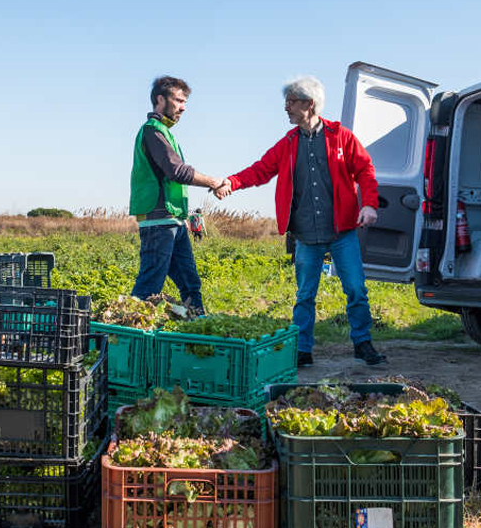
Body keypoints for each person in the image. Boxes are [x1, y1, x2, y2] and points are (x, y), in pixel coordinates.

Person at [214, 75, 387, 366]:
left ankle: (362, 344)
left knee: (356, 288)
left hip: (342, 231)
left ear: (310, 104)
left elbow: (365, 171)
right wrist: (232, 182)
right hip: (306, 234)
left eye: (291, 102)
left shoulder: (340, 136)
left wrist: (368, 204)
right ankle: (303, 349)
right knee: (305, 294)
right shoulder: (288, 143)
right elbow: (260, 170)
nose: (286, 107)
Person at [130, 76, 226, 313]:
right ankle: (119, 343)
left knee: (190, 284)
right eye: (178, 100)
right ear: (160, 100)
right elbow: (177, 171)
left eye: (185, 102)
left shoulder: (164, 131)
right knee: (149, 286)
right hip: (159, 222)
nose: (183, 107)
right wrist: (213, 181)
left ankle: (197, 333)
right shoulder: (153, 132)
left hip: (175, 220)